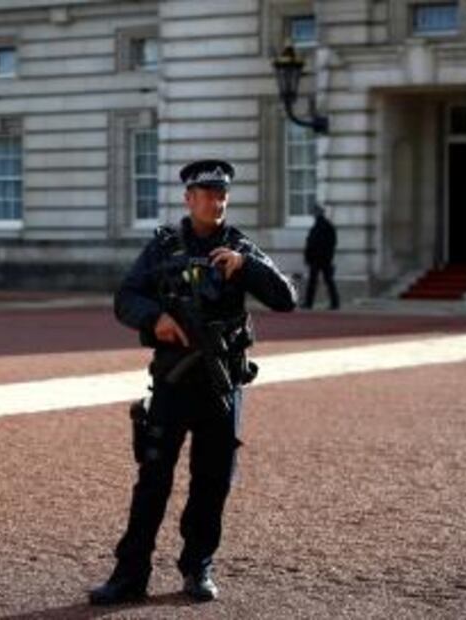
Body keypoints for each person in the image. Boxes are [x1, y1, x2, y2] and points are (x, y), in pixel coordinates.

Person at [89, 159, 296, 606]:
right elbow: (125, 298)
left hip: (221, 385)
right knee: (153, 479)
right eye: (206, 193)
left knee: (212, 480)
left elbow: (286, 299)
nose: (216, 201)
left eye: (222, 194)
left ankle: (198, 567)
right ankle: (130, 574)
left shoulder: (240, 246)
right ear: (189, 198)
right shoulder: (163, 248)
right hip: (173, 380)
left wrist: (246, 268)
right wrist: (155, 317)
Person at [302, 203, 339, 310]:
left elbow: (313, 244)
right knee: (327, 281)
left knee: (316, 282)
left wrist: (309, 257)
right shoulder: (325, 226)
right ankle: (334, 302)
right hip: (322, 259)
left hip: (319, 259)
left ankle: (310, 303)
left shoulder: (321, 227)